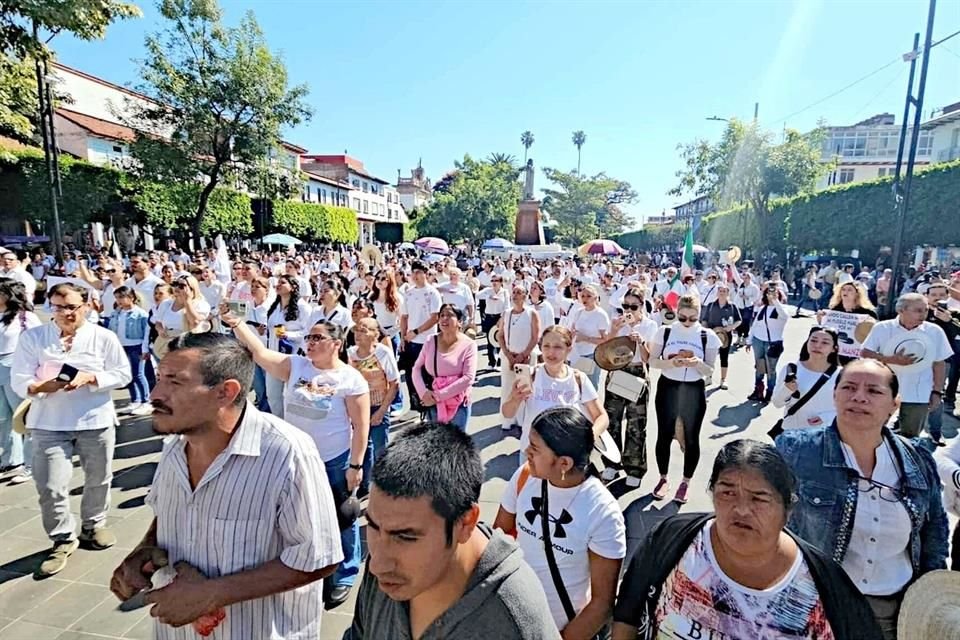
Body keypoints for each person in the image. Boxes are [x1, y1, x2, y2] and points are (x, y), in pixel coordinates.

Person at [109, 333, 343, 639]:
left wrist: (213, 594)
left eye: (174, 382)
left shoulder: (287, 452)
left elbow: (318, 558)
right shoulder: (174, 448)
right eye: (158, 379)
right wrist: (144, 550)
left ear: (225, 392)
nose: (155, 394)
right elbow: (170, 511)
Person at [612, 439, 883, 640]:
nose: (741, 509)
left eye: (759, 498)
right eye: (727, 493)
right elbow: (627, 614)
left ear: (787, 509)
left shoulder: (822, 585)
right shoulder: (673, 538)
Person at [776, 359, 949, 639]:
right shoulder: (795, 449)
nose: (859, 397)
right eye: (849, 387)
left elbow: (935, 530)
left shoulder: (918, 459)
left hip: (892, 611)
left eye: (874, 391)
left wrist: (929, 592)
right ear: (835, 395)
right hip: (814, 605)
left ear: (895, 403)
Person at [350, 422, 561, 640]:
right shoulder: (386, 569)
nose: (376, 565)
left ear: (466, 522)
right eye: (373, 527)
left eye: (405, 537)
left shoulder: (515, 618)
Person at [222, 310, 370, 609]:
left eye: (317, 337)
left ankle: (345, 573)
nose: (310, 343)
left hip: (333, 460)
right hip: (296, 458)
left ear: (336, 343)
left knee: (342, 518)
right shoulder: (296, 366)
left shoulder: (350, 379)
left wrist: (355, 466)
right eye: (308, 337)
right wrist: (237, 323)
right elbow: (260, 352)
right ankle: (309, 564)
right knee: (300, 514)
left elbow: (361, 426)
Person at [11, 282, 132, 577]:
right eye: (58, 307)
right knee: (50, 484)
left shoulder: (103, 336)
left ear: (86, 305)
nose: (65, 313)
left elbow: (122, 374)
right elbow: (20, 377)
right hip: (48, 423)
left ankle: (93, 525)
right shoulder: (34, 337)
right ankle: (62, 538)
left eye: (71, 307)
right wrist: (41, 387)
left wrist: (92, 378)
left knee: (98, 478)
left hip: (95, 420)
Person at [495, 407, 626, 637]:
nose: (526, 452)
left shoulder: (602, 512)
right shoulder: (525, 477)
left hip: (560, 628)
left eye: (535, 448)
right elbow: (499, 540)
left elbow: (601, 604)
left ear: (564, 463)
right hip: (509, 620)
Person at [648, 294, 720, 503]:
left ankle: (685, 482)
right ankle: (663, 479)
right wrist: (672, 363)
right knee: (664, 434)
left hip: (693, 390)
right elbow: (653, 361)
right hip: (668, 386)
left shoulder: (708, 336)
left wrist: (697, 363)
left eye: (692, 318)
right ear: (676, 313)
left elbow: (709, 370)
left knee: (691, 437)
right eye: (683, 318)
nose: (687, 322)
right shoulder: (665, 331)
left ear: (699, 315)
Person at [502, 325, 609, 460]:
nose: (551, 352)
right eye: (546, 346)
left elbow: (601, 416)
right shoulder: (531, 375)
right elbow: (507, 413)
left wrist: (588, 437)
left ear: (568, 350)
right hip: (533, 455)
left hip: (565, 458)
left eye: (558, 347)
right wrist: (515, 399)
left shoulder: (578, 379)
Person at [861, 293, 953, 439]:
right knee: (874, 433)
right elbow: (865, 353)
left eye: (926, 310)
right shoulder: (882, 328)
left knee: (910, 438)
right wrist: (891, 359)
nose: (923, 314)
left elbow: (939, 363)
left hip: (918, 394)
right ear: (901, 310)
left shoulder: (935, 331)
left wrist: (937, 392)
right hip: (884, 391)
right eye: (918, 310)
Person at [602, 286, 655, 486]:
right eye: (625, 306)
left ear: (642, 306)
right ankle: (612, 463)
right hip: (617, 370)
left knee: (636, 423)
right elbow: (604, 350)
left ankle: (634, 468)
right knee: (612, 420)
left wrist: (641, 341)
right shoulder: (617, 322)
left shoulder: (649, 325)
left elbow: (649, 357)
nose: (629, 310)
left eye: (633, 306)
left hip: (637, 372)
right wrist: (614, 330)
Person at [347, 317, 400, 492]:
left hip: (378, 405)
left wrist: (382, 411)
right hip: (358, 409)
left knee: (380, 448)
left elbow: (394, 383)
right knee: (363, 446)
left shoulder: (383, 353)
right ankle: (364, 485)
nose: (358, 334)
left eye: (364, 330)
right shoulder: (349, 354)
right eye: (357, 330)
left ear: (375, 335)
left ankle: (384, 486)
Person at [0, 279, 42, 484]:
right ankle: (10, 460)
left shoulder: (25, 317)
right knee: (3, 418)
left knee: (24, 415)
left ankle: (30, 463)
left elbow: (39, 343)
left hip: (15, 366)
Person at [412, 304, 477, 430]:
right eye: (441, 315)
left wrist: (438, 396)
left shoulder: (469, 345)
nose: (444, 319)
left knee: (455, 446)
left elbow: (468, 377)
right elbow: (416, 368)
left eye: (450, 315)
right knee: (436, 446)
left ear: (460, 322)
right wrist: (424, 394)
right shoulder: (431, 340)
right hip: (432, 401)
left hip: (458, 404)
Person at [770, 326, 842, 433]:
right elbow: (777, 403)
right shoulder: (791, 369)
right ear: (807, 343)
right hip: (791, 432)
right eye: (813, 340)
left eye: (825, 342)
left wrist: (826, 418)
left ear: (834, 348)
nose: (817, 345)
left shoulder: (841, 375)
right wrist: (787, 389)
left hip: (823, 434)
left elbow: (851, 408)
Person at [265, 274, 313, 418]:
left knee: (293, 396)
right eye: (277, 283)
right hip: (273, 355)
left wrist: (288, 335)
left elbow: (309, 331)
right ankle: (280, 422)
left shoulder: (303, 307)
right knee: (273, 395)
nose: (278, 285)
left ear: (292, 287)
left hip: (294, 356)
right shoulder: (274, 306)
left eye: (283, 283)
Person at [399, 261, 442, 412]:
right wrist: (403, 337)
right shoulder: (409, 293)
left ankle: (429, 405)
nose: (416, 276)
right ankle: (415, 406)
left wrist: (417, 331)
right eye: (413, 272)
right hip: (411, 341)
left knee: (426, 375)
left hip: (426, 340)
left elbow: (434, 317)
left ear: (425, 273)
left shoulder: (432, 293)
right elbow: (404, 317)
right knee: (411, 374)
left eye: (419, 272)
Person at [497, 283, 541, 431]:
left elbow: (535, 337)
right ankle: (508, 420)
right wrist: (509, 355)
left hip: (526, 358)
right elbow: (500, 335)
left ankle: (523, 420)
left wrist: (523, 355)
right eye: (514, 292)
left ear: (525, 296)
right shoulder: (507, 313)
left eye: (519, 292)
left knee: (524, 389)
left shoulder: (531, 313)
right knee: (507, 388)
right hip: (508, 357)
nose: (515, 295)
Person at [107, 286, 153, 416]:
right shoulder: (116, 313)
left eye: (121, 297)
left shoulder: (140, 314)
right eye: (117, 297)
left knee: (138, 374)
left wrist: (145, 348)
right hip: (121, 346)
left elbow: (146, 333)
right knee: (128, 375)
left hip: (136, 346)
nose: (119, 300)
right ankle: (135, 400)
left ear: (131, 297)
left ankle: (146, 401)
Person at [748, 281, 789, 402]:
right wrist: (749, 340)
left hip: (773, 343)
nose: (770, 295)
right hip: (758, 341)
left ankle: (770, 392)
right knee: (759, 367)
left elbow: (784, 316)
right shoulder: (762, 308)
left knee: (771, 369)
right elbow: (755, 325)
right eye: (769, 293)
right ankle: (758, 390)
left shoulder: (782, 308)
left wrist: (775, 300)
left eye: (775, 292)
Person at [699, 283, 741, 389]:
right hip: (711, 335)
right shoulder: (711, 305)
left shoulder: (732, 306)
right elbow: (704, 320)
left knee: (724, 357)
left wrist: (731, 327)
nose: (722, 293)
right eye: (720, 291)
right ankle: (708, 377)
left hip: (725, 337)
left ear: (728, 293)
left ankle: (723, 379)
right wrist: (707, 330)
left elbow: (739, 320)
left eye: (724, 291)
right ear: (717, 293)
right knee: (709, 357)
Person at [478, 272, 508, 369]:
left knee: (500, 340)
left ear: (501, 282)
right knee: (490, 340)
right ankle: (491, 362)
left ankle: (499, 362)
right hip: (489, 317)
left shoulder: (504, 292)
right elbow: (477, 295)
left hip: (499, 317)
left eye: (497, 281)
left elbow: (507, 307)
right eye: (493, 281)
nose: (494, 283)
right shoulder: (488, 290)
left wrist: (501, 319)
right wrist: (488, 296)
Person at [733, 270, 760, 348]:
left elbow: (756, 297)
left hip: (747, 307)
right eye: (744, 277)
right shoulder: (741, 284)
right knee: (738, 322)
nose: (745, 279)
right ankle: (738, 337)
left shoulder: (754, 287)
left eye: (747, 277)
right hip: (739, 305)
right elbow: (736, 276)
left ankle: (744, 338)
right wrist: (732, 265)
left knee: (745, 323)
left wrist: (747, 298)